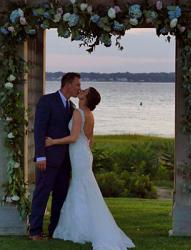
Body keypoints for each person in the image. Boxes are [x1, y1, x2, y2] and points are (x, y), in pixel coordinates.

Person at [46, 87, 135, 250]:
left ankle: (80, 227)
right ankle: (85, 224)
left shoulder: (78, 113)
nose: (81, 90)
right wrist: (85, 154)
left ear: (86, 98)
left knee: (80, 187)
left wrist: (53, 142)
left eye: (84, 91)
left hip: (79, 153)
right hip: (84, 153)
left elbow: (73, 138)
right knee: (83, 187)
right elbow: (89, 139)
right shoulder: (90, 115)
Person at [29, 72, 81, 240]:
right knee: (42, 194)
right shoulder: (47, 101)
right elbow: (39, 130)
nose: (79, 88)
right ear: (68, 85)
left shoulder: (72, 107)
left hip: (65, 161)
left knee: (60, 195)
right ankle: (35, 231)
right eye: (77, 85)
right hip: (48, 159)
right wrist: (40, 156)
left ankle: (54, 230)